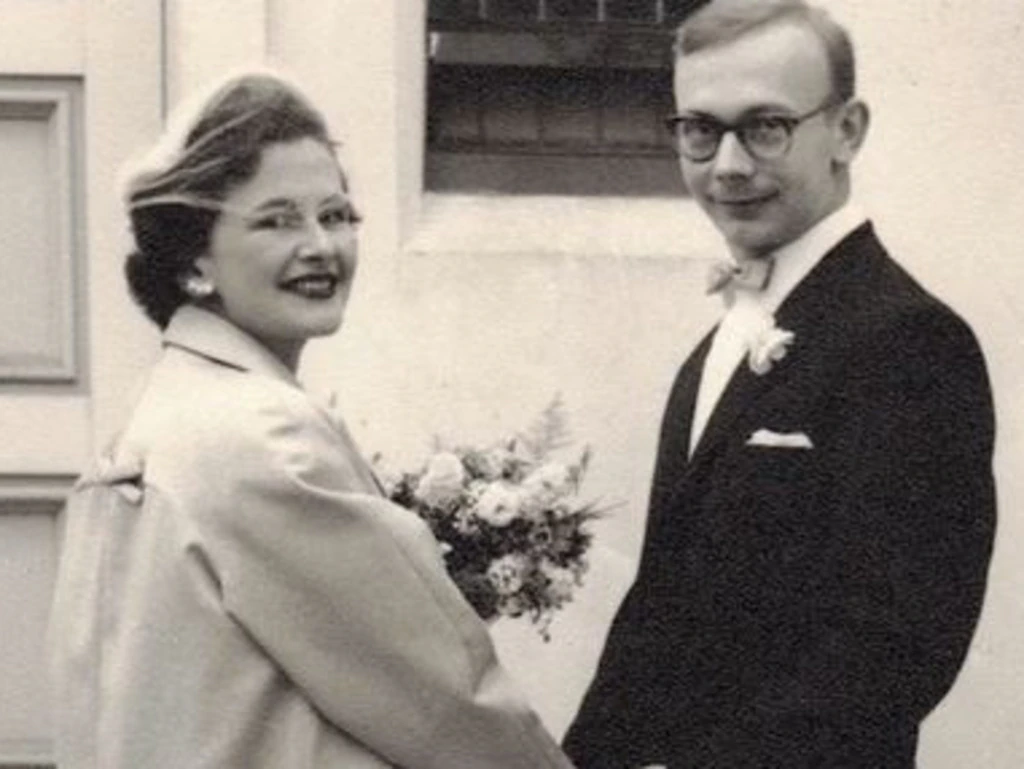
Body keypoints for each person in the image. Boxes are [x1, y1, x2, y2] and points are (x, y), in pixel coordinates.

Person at [48, 71, 574, 769]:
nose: (321, 246)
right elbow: (447, 700)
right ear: (194, 259)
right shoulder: (262, 436)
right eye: (277, 219)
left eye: (335, 215)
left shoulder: (162, 414)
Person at [563, 1, 996, 767]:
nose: (727, 166)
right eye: (700, 129)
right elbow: (661, 609)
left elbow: (894, 648)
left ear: (848, 130)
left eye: (765, 126)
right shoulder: (719, 342)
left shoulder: (909, 341)